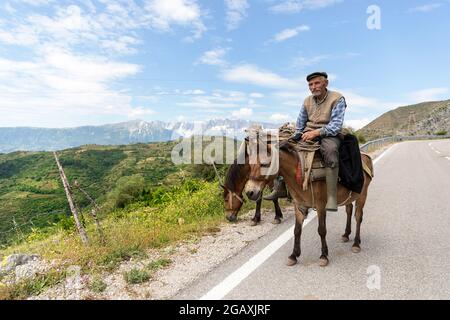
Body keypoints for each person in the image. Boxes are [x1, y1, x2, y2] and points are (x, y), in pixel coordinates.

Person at [264, 72, 347, 211]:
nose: (313, 87)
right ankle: (280, 188)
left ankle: (332, 197)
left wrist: (316, 132)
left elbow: (336, 125)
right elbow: (301, 122)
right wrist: (294, 136)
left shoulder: (337, 98)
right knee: (281, 150)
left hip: (329, 134)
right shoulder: (307, 101)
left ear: (325, 83)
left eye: (317, 83)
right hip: (308, 133)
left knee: (331, 151)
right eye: (310, 84)